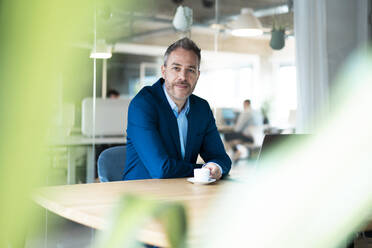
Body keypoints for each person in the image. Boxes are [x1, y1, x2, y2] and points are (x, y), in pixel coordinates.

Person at [123, 38, 231, 181]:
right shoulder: (143, 105)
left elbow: (222, 159)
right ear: (164, 71)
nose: (183, 77)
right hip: (141, 196)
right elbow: (161, 169)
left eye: (190, 70)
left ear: (197, 75)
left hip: (184, 191)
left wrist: (216, 166)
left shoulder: (201, 108)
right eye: (176, 68)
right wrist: (204, 171)